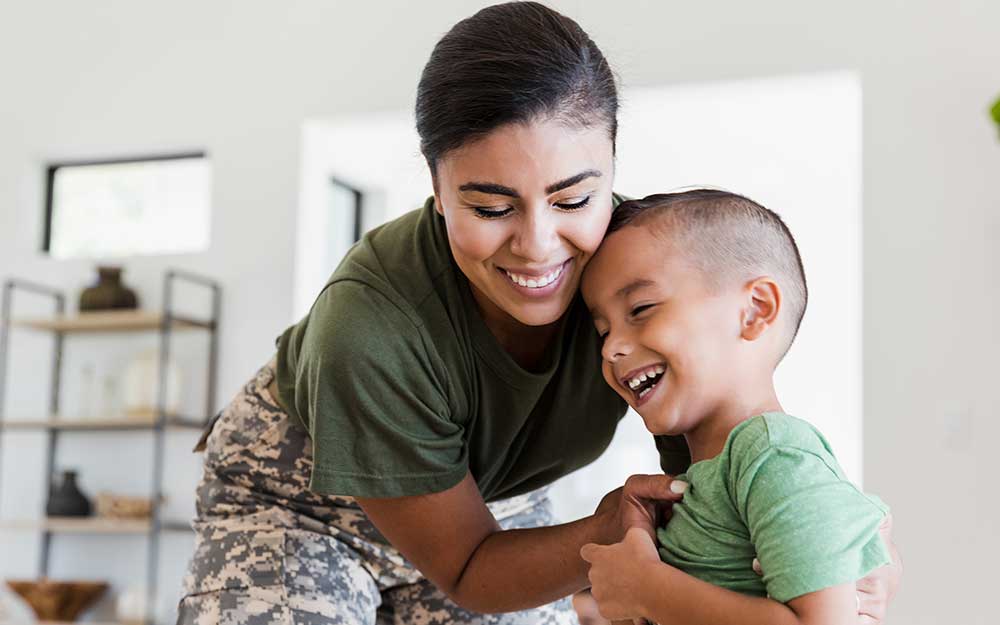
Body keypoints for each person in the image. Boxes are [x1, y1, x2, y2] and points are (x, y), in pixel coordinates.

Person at [176, 3, 900, 624]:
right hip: (302, 505)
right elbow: (467, 566)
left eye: (575, 199)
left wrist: (829, 543)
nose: (537, 246)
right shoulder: (368, 330)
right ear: (435, 186)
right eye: (491, 207)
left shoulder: (636, 275)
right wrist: (612, 538)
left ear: (612, 167)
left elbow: (724, 473)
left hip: (493, 502)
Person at [578, 190, 899, 625]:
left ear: (754, 311)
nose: (612, 348)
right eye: (602, 331)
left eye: (641, 309)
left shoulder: (773, 454)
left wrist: (648, 589)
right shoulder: (708, 477)